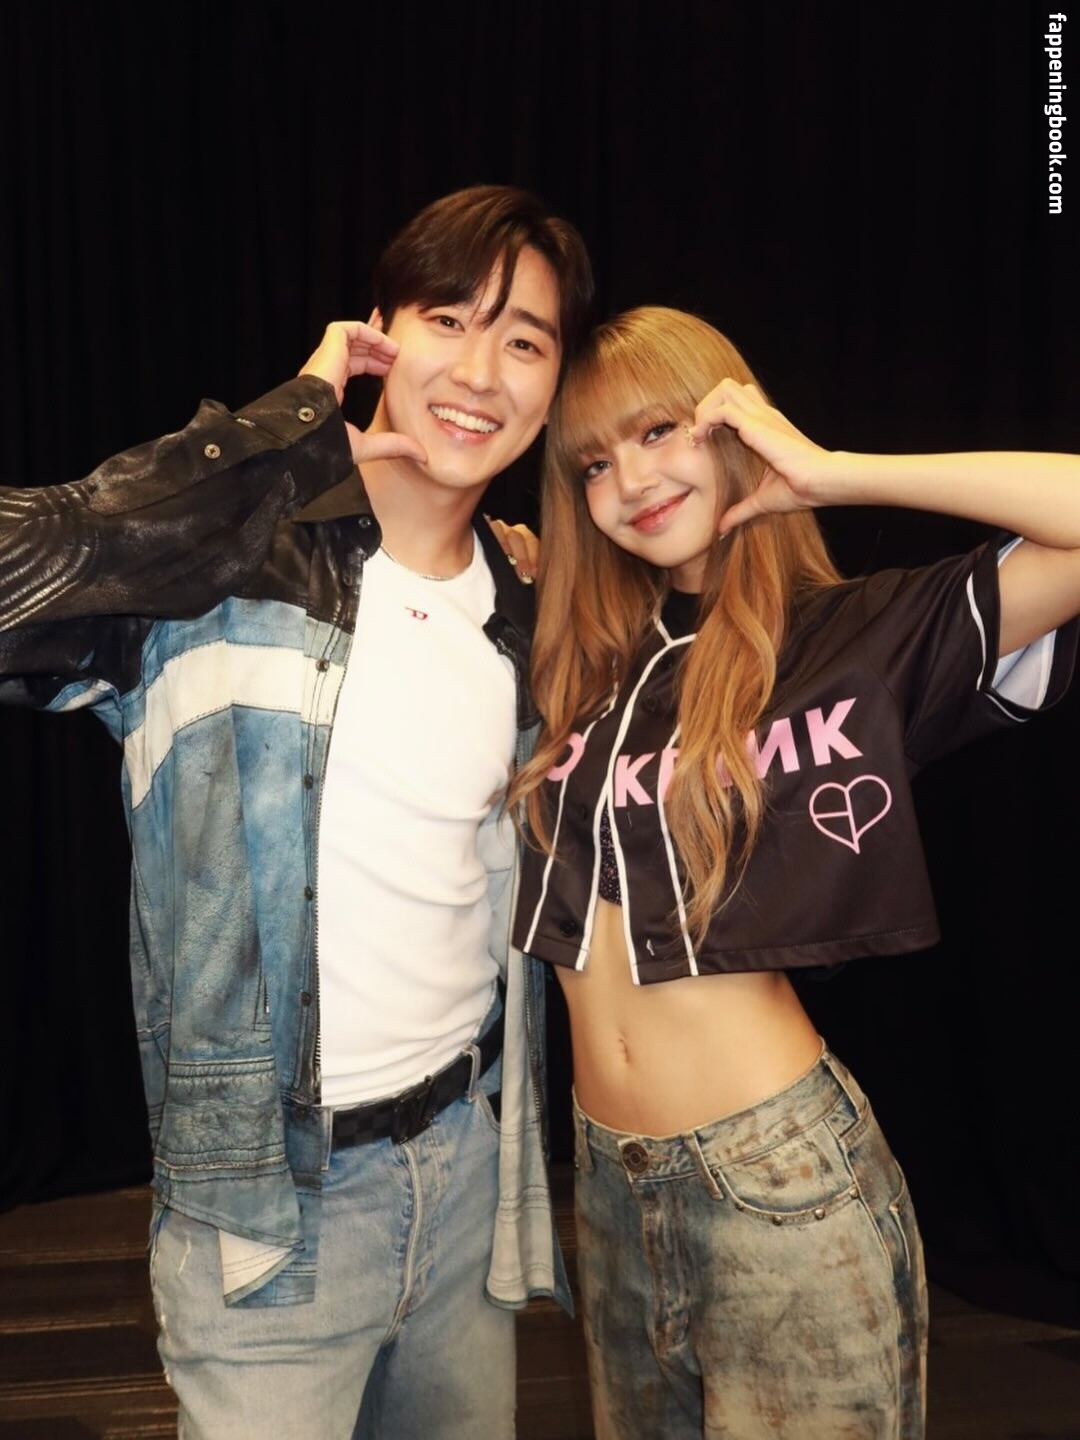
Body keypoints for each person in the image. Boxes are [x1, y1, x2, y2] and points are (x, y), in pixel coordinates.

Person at [0, 185, 592, 1439]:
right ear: (377, 336)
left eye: (524, 340)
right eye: (449, 320)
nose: (480, 372)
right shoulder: (221, 574)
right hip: (269, 1215)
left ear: (552, 385)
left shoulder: (530, 611)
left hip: (465, 1179)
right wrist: (285, 435)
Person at [509, 306, 1080, 1439]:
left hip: (777, 1183)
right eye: (593, 464)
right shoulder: (584, 665)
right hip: (608, 1188)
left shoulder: (853, 636)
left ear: (735, 422)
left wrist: (834, 473)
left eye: (659, 430)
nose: (631, 479)